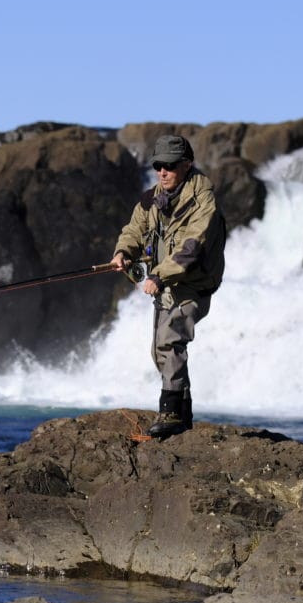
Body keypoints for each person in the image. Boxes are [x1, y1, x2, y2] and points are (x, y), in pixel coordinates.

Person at [109, 135, 226, 439]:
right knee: (158, 350)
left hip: (193, 284)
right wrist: (123, 253)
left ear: (187, 165)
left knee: (169, 341)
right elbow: (135, 229)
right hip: (165, 284)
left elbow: (192, 248)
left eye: (169, 166)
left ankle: (171, 413)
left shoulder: (204, 203)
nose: (162, 171)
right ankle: (183, 415)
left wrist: (159, 275)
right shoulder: (152, 198)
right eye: (158, 165)